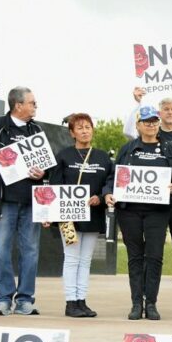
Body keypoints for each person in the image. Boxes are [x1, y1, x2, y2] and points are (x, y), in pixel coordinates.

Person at [103, 106, 172, 321]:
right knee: (135, 257)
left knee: (155, 256)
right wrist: (108, 193)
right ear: (138, 125)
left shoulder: (170, 150)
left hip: (158, 212)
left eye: (154, 121)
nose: (150, 124)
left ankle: (152, 303)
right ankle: (137, 303)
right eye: (146, 121)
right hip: (130, 212)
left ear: (158, 124)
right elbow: (113, 177)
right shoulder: (127, 149)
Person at [124, 88, 172, 315]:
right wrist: (138, 102)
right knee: (144, 252)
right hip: (142, 205)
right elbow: (129, 130)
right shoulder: (143, 139)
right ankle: (142, 298)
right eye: (164, 109)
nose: (169, 113)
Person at [0, 86, 45, 316]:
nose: (35, 106)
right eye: (32, 103)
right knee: (2, 251)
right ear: (18, 105)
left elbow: (47, 166)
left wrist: (43, 173)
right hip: (4, 202)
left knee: (30, 251)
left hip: (31, 203)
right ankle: (3, 298)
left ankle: (25, 300)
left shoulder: (36, 130)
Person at [48, 113, 113, 318]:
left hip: (93, 215)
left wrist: (101, 198)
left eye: (88, 127)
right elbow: (54, 186)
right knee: (72, 259)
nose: (85, 131)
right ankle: (70, 302)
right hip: (68, 217)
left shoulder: (103, 157)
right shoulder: (64, 156)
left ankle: (82, 301)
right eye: (80, 128)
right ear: (72, 133)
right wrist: (50, 213)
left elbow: (109, 183)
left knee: (85, 261)